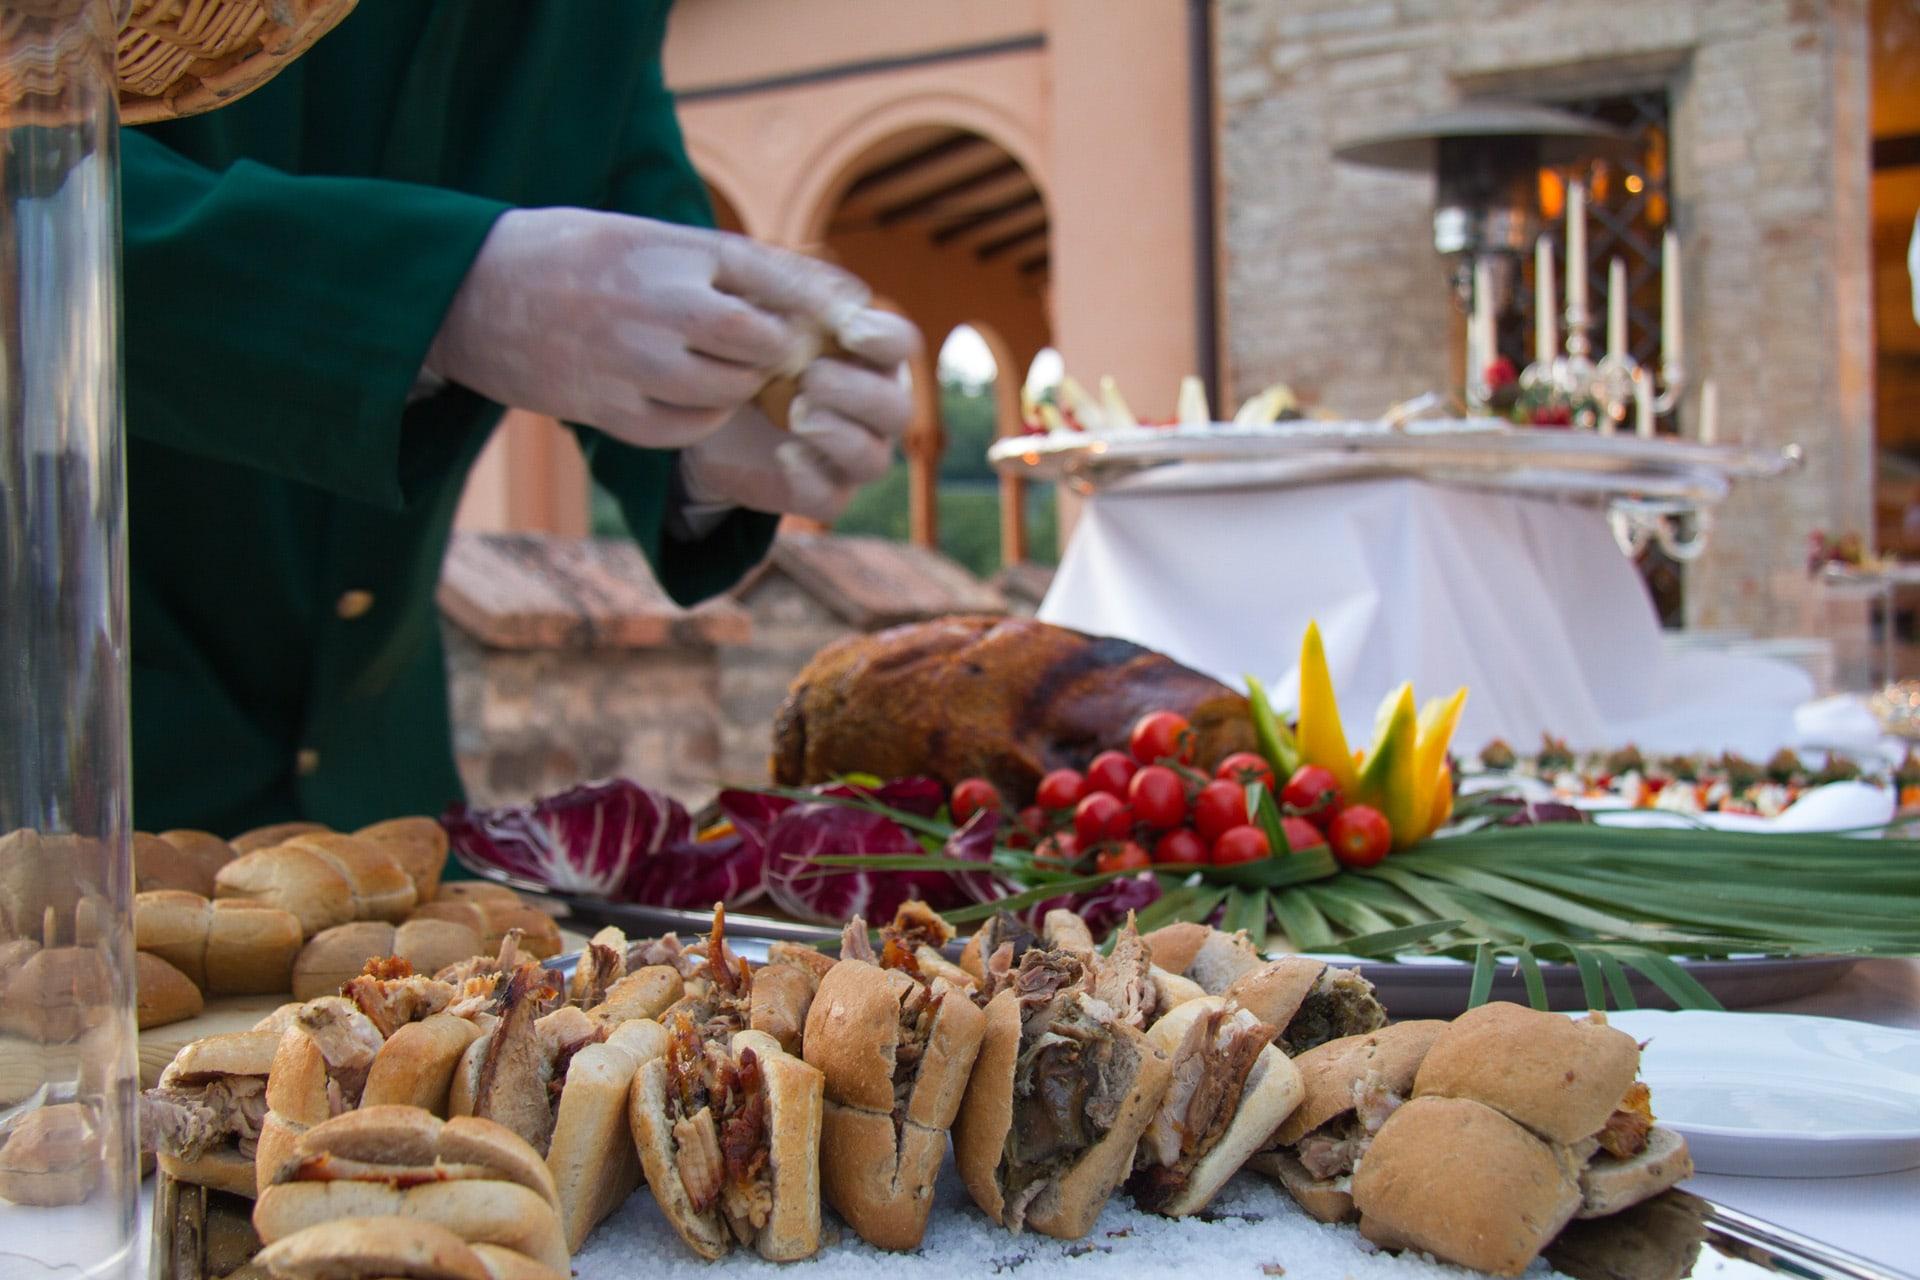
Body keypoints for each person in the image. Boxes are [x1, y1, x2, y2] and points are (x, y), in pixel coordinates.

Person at [121, 4, 916, 834]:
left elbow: (630, 194)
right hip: (80, 768)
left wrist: (718, 408)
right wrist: (442, 295)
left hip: (391, 807)